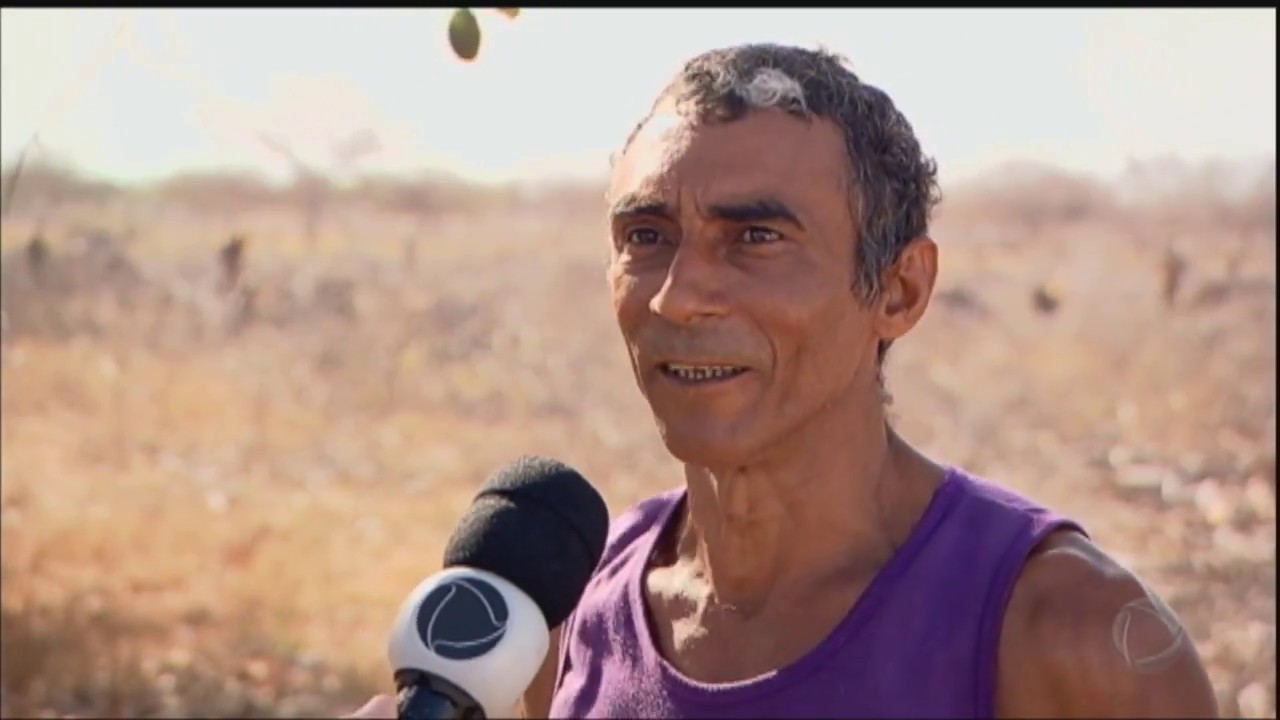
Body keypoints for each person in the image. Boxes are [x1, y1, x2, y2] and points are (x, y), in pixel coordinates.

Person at [349, 43, 1218, 719]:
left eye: (756, 239)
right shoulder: (567, 619)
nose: (679, 294)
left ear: (899, 289)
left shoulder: (1065, 635)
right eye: (646, 235)